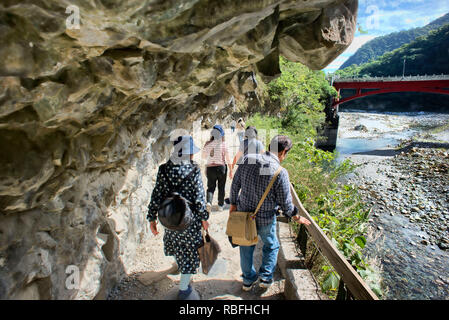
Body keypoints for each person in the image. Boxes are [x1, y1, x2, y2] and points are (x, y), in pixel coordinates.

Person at [229, 135, 311, 291]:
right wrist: (296, 216)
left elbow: (235, 185)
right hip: (266, 218)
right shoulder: (280, 172)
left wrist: (233, 204)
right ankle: (265, 278)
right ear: (283, 152)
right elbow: (286, 203)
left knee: (245, 246)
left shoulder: (248, 159)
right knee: (271, 245)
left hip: (244, 215)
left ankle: (247, 280)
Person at [147, 135, 209, 300]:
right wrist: (204, 218)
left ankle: (182, 269)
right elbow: (199, 198)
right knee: (190, 252)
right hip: (189, 221)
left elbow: (156, 195)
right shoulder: (194, 169)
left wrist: (151, 218)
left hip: (169, 219)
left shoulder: (164, 169)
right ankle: (184, 290)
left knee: (176, 246)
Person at [201, 125, 232, 212]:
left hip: (210, 168)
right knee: (221, 187)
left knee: (210, 187)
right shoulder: (224, 144)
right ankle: (220, 205)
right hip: (221, 168)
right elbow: (228, 158)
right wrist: (231, 170)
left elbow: (204, 156)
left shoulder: (207, 143)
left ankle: (209, 203)